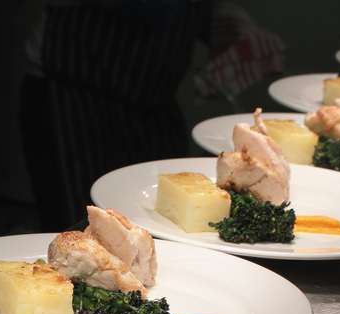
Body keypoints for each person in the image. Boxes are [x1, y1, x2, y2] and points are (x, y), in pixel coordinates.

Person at [20, 0, 213, 231]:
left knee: (164, 224)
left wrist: (218, 18)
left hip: (155, 97)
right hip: (76, 94)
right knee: (79, 228)